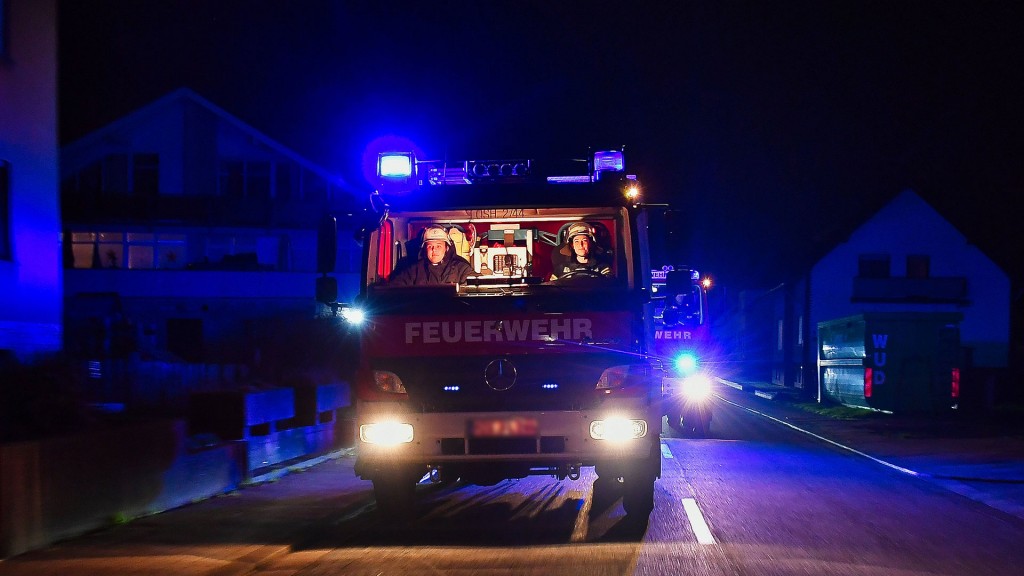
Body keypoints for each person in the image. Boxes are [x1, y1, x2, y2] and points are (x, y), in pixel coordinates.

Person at [389, 224, 473, 286]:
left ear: (446, 248)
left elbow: (478, 286)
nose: (434, 250)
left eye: (438, 246)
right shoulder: (414, 270)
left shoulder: (462, 269)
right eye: (430, 246)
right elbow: (394, 288)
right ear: (425, 248)